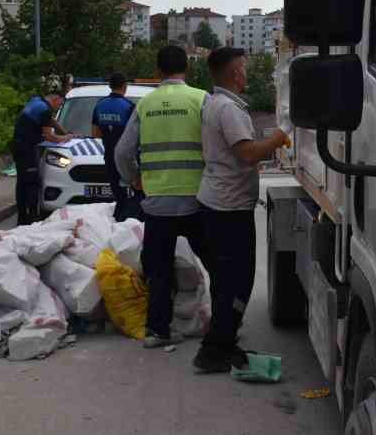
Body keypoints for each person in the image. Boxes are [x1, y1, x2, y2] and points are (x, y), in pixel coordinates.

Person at [193, 46, 290, 374]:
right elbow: (248, 153)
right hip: (228, 209)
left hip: (218, 203)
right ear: (235, 74)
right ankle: (214, 351)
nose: (246, 74)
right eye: (244, 69)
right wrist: (280, 137)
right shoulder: (229, 109)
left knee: (225, 281)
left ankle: (222, 341)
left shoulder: (213, 102)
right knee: (238, 281)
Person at [115, 45, 207, 349]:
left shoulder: (145, 105)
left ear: (157, 72)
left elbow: (123, 152)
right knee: (216, 264)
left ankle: (158, 331)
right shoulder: (200, 99)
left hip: (157, 203)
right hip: (198, 200)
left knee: (158, 270)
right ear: (187, 69)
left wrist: (134, 179)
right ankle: (221, 328)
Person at [13, 87, 70, 226]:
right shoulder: (45, 110)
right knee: (32, 183)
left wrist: (66, 132)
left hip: (17, 145)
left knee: (22, 181)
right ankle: (31, 218)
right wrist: (65, 138)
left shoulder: (37, 101)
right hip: (26, 148)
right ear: (55, 99)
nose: (59, 107)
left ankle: (22, 217)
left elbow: (51, 121)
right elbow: (50, 136)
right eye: (60, 104)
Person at [93, 72, 138, 221]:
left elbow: (96, 133)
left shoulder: (99, 105)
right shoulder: (129, 106)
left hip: (109, 153)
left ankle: (119, 214)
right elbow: (135, 134)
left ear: (109, 86)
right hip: (126, 155)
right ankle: (128, 217)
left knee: (116, 190)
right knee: (133, 188)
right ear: (124, 86)